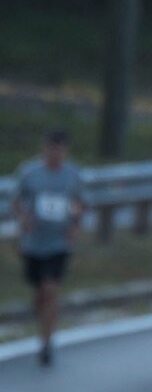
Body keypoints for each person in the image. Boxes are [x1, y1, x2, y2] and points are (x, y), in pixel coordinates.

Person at [12, 128, 86, 367]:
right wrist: (24, 217)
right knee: (39, 291)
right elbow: (16, 200)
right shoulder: (29, 173)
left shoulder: (73, 175)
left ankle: (47, 342)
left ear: (65, 151)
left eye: (59, 149)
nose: (55, 153)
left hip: (59, 242)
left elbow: (81, 202)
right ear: (44, 148)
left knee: (50, 288)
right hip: (34, 242)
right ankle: (41, 319)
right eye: (51, 148)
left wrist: (75, 224)